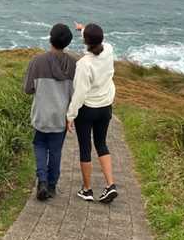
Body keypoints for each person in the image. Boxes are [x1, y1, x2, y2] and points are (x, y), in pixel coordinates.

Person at [23, 23, 77, 201]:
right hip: (60, 117)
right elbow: (75, 92)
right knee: (55, 150)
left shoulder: (37, 61)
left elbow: (28, 89)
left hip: (41, 115)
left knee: (39, 146)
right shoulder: (73, 64)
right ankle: (52, 186)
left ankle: (42, 181)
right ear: (67, 43)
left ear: (50, 38)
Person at [66, 22, 118, 204]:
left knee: (85, 147)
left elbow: (79, 94)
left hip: (87, 110)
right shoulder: (109, 50)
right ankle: (110, 185)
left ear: (85, 42)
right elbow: (98, 40)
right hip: (105, 107)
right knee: (101, 144)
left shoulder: (83, 64)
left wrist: (70, 116)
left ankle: (87, 189)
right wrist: (83, 29)